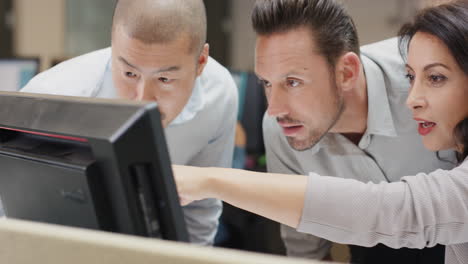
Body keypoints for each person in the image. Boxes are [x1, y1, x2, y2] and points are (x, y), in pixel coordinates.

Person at [173, 1, 468, 263]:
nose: (274, 109)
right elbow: (308, 248)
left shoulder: (423, 58)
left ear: (347, 73)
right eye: (265, 83)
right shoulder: (280, 129)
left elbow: (400, 211)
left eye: (293, 82)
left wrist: (210, 180)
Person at [20, 0, 238, 245]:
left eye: (165, 79)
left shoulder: (218, 94)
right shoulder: (51, 96)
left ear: (200, 63)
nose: (143, 100)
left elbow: (200, 213)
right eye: (130, 74)